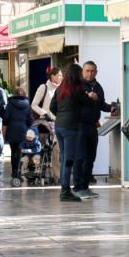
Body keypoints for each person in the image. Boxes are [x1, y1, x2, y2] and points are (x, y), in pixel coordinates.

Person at [49, 63, 97, 202]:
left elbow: (52, 107)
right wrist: (92, 97)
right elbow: (88, 103)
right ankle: (65, 191)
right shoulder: (77, 89)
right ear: (77, 75)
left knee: (65, 158)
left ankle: (65, 188)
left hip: (59, 126)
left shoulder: (60, 89)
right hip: (71, 128)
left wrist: (63, 114)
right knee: (68, 160)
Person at [73, 61, 111, 200]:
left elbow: (101, 104)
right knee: (80, 158)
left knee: (90, 158)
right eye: (87, 70)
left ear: (96, 72)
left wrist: (111, 108)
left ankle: (85, 187)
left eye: (92, 71)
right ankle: (77, 187)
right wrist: (87, 97)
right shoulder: (78, 86)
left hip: (93, 126)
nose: (90, 73)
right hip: (80, 126)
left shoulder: (98, 87)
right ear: (82, 72)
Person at [0, 86, 33, 182]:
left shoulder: (10, 104)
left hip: (11, 130)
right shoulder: (27, 104)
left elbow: (5, 117)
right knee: (19, 152)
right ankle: (17, 172)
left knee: (13, 151)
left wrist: (4, 129)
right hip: (23, 130)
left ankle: (14, 171)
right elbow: (30, 120)